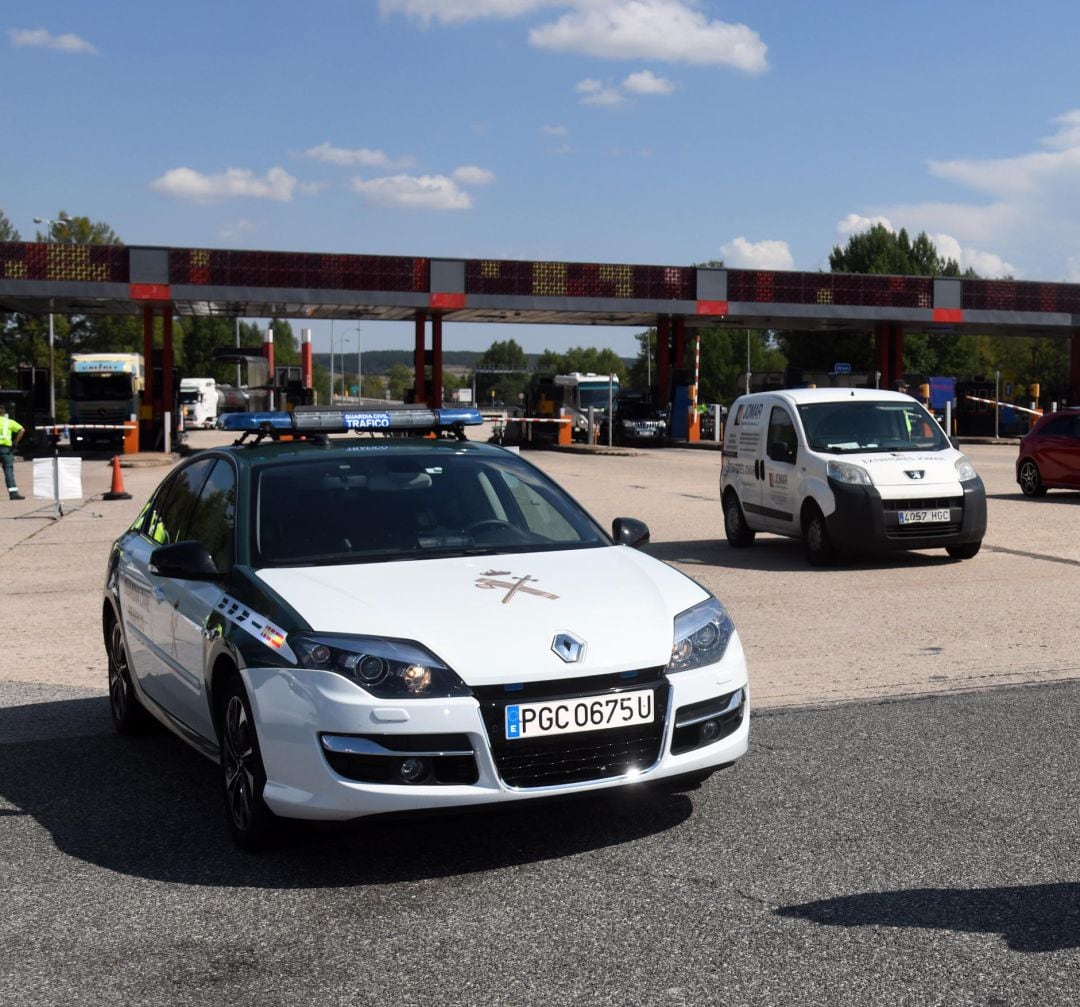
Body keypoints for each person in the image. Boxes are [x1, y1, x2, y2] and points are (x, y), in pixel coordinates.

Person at [0, 404, 26, 501]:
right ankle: (13, 494)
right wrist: (15, 442)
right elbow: (22, 430)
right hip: (6, 449)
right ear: (5, 413)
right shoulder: (9, 422)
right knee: (8, 471)